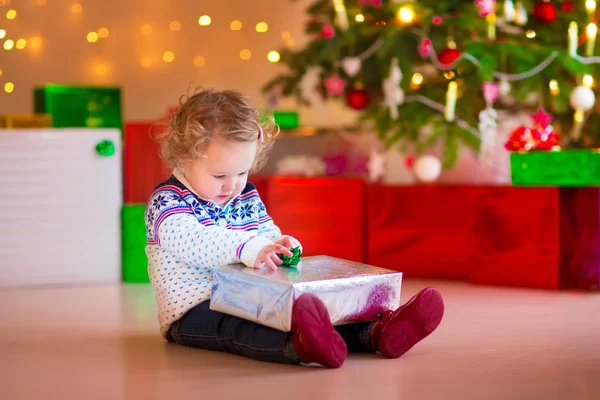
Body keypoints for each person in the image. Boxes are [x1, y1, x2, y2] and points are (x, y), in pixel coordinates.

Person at [145, 87, 444, 368]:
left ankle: (376, 331)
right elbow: (194, 240)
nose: (232, 184)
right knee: (241, 328)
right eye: (220, 174)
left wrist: (282, 245)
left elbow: (265, 233)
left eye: (242, 171)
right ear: (184, 157)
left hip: (247, 292)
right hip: (195, 307)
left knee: (301, 310)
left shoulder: (243, 193)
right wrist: (251, 248)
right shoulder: (168, 201)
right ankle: (300, 344)